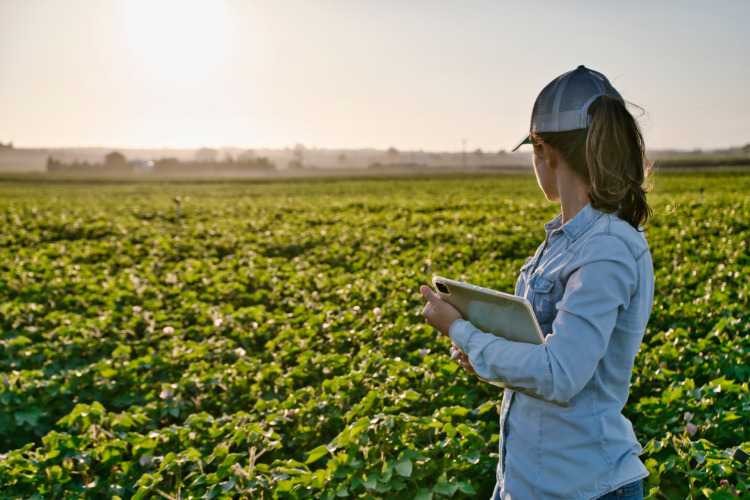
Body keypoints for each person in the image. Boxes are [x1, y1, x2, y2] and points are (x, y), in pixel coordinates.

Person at [420, 65, 654, 500]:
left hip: (586, 486)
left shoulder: (606, 248)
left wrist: (462, 331)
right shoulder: (564, 241)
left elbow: (560, 374)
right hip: (529, 483)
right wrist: (486, 356)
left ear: (546, 151)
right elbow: (542, 355)